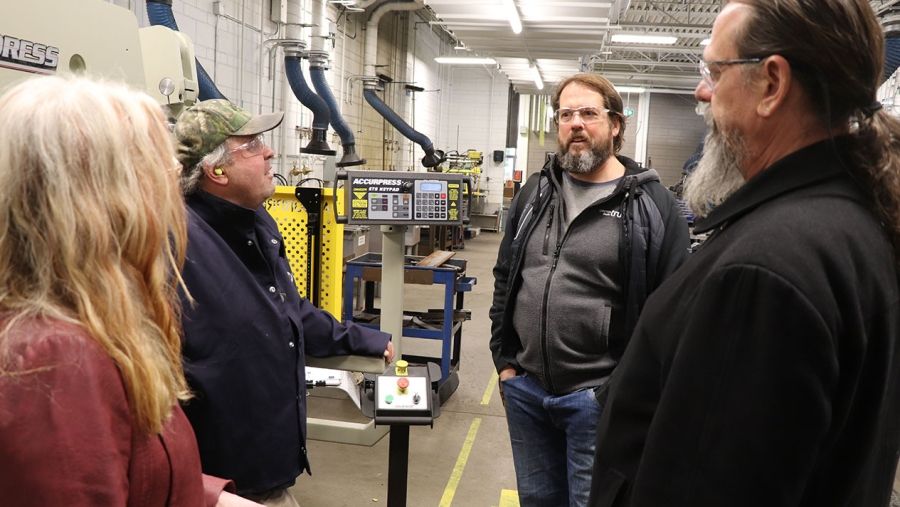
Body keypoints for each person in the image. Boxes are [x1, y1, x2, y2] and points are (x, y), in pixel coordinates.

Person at [590, 2, 900, 506]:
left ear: (772, 84)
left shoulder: (765, 270)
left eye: (715, 71)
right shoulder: (852, 224)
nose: (702, 91)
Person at [0, 76, 260, 506]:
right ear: (97, 200)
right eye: (159, 173)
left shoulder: (94, 320)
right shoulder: (51, 360)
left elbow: (134, 468)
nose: (174, 195)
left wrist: (212, 498)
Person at [173, 99, 394, 505]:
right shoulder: (178, 243)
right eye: (252, 145)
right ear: (216, 170)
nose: (270, 151)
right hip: (218, 483)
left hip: (269, 472)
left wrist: (360, 338)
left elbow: (285, 311)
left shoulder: (258, 222)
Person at [489, 73, 690, 506]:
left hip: (597, 402)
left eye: (588, 113)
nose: (576, 123)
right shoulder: (535, 194)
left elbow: (672, 314)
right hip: (526, 390)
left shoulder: (652, 206)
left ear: (615, 125)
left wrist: (616, 392)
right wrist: (504, 361)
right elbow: (506, 275)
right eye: (566, 114)